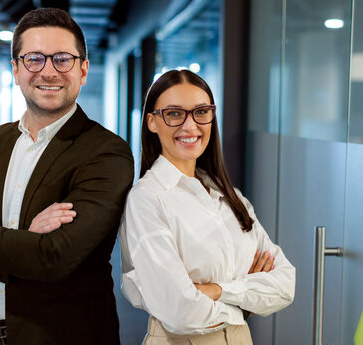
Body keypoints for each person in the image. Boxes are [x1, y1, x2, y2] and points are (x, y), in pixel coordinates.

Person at [0, 8, 133, 345]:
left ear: (83, 70)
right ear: (15, 69)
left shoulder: (106, 152)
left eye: (62, 59)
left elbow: (53, 257)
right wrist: (25, 240)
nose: (48, 71)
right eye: (34, 59)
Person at [119, 69, 295, 344]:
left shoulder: (230, 197)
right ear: (152, 122)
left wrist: (213, 290)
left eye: (201, 112)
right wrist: (246, 299)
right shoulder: (148, 199)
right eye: (174, 114)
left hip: (240, 338)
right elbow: (180, 311)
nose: (190, 126)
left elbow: (285, 285)